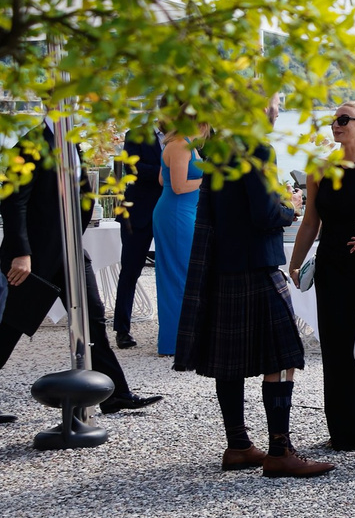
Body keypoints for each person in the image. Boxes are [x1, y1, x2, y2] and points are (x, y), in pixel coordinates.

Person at [172, 117, 327, 476]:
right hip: (257, 265)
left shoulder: (217, 147)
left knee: (230, 360)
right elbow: (264, 215)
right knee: (282, 355)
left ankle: (238, 445)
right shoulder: (257, 149)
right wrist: (290, 206)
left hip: (223, 264)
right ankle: (279, 451)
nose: (276, 111)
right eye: (273, 103)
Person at [0, 120, 157, 416]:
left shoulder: (70, 142)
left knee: (93, 318)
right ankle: (117, 394)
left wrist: (76, 236)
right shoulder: (31, 143)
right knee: (11, 325)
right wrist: (21, 252)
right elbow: (12, 201)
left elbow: (82, 196)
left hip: (70, 250)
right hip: (37, 255)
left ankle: (115, 395)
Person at [288, 102, 355, 451]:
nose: (336, 125)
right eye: (334, 120)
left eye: (343, 120)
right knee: (335, 346)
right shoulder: (320, 167)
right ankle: (344, 430)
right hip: (331, 265)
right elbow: (310, 221)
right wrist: (296, 262)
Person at [152, 126, 202, 355]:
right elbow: (179, 186)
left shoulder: (182, 144)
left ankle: (180, 339)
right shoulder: (181, 144)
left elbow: (164, 180)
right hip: (177, 214)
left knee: (182, 275)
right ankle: (177, 342)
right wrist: (206, 179)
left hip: (181, 211)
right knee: (181, 275)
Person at [111, 126, 160, 349]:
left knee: (176, 269)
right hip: (139, 211)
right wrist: (166, 170)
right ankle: (122, 330)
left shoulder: (183, 134)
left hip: (171, 212)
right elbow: (133, 168)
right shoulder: (137, 133)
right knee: (130, 271)